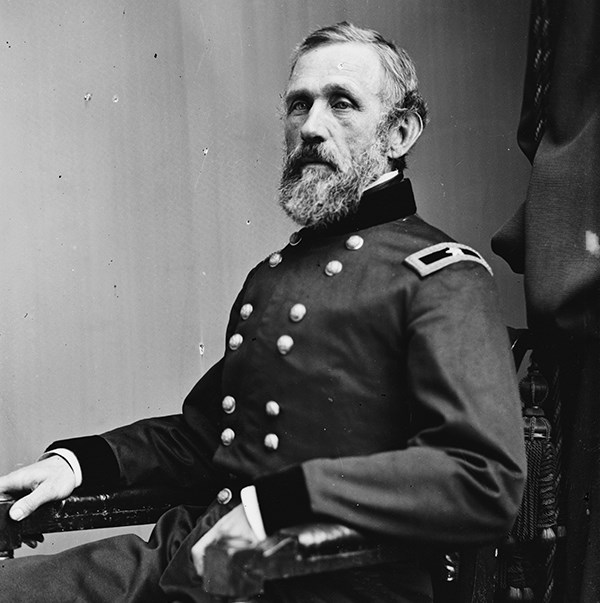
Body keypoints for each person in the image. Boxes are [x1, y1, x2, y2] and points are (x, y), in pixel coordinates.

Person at [0, 22, 525, 602]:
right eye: (299, 105)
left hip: (319, 579)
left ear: (399, 133)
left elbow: (483, 478)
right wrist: (80, 464)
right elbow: (209, 437)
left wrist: (283, 504)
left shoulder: (441, 276)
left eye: (341, 104)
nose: (311, 127)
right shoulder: (275, 273)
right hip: (195, 558)